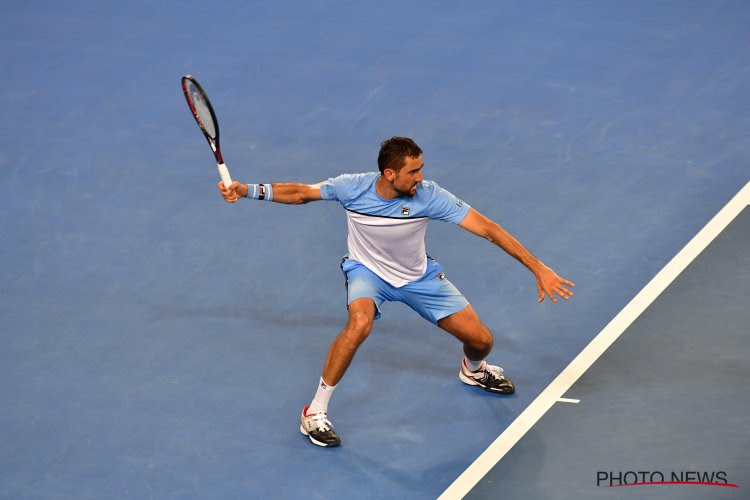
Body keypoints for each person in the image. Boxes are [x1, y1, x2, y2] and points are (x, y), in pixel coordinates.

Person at [218, 136, 574, 448]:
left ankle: (474, 369)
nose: (420, 178)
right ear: (390, 174)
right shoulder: (351, 187)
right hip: (367, 272)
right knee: (359, 325)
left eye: (421, 170)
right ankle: (315, 411)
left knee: (481, 340)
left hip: (418, 278)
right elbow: (299, 193)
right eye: (413, 172)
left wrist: (538, 268)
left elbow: (489, 229)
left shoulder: (431, 196)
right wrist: (246, 189)